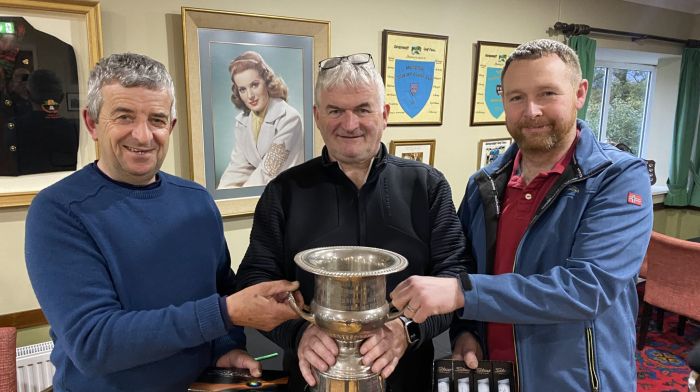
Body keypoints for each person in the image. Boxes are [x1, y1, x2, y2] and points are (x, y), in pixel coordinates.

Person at [25, 53, 300, 392]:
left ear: (170, 126)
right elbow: (93, 343)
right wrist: (226, 312)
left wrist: (226, 348)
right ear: (92, 123)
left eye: (156, 119)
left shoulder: (196, 200)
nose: (143, 136)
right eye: (124, 117)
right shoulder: (58, 211)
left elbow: (220, 286)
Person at [391, 39, 653, 391]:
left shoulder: (618, 178)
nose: (530, 110)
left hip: (578, 382)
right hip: (495, 375)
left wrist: (462, 293)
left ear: (580, 93)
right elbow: (466, 266)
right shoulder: (483, 183)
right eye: (516, 97)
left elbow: (588, 288)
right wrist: (466, 331)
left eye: (547, 93)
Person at [234, 53, 468, 391]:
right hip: (314, 376)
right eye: (335, 110)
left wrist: (408, 329)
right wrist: (298, 334)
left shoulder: (427, 186)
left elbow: (455, 275)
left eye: (362, 109)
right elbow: (254, 281)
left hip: (405, 377)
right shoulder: (284, 191)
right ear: (317, 116)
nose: (349, 124)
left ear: (384, 115)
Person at [217, 51, 303, 189]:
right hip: (261, 194)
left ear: (267, 82)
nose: (250, 95)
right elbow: (238, 168)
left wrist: (237, 201)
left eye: (254, 85)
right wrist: (220, 198)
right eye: (242, 89)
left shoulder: (289, 119)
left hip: (287, 196)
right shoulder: (243, 122)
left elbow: (268, 172)